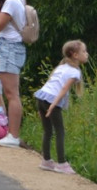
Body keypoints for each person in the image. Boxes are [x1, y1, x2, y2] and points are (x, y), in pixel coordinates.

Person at [34, 40, 88, 174]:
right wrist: (52, 105)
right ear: (74, 55)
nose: (86, 54)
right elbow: (63, 89)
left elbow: (50, 84)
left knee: (48, 131)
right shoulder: (74, 72)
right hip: (51, 100)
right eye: (84, 51)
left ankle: (46, 161)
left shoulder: (61, 67)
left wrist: (41, 107)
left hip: (41, 97)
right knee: (60, 131)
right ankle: (61, 163)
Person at [0, 0, 27, 148]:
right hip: (11, 47)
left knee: (11, 94)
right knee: (11, 93)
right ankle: (12, 133)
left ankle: (13, 135)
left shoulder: (10, 2)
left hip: (9, 47)